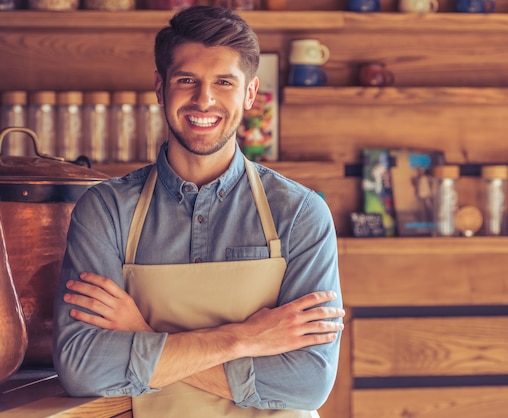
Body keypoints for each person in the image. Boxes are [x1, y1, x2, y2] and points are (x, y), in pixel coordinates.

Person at [52, 6, 344, 417]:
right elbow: (83, 368)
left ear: (249, 93)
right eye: (186, 80)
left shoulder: (300, 214)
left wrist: (143, 335)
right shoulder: (106, 211)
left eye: (223, 82)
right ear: (160, 87)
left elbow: (307, 383)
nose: (204, 99)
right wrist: (244, 339)